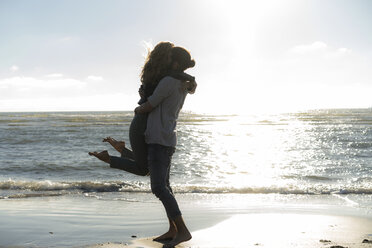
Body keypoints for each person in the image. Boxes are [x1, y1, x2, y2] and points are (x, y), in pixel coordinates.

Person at [89, 42, 195, 177]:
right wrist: (191, 80)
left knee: (147, 165)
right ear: (165, 57)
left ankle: (122, 150)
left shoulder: (155, 71)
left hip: (146, 120)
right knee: (145, 169)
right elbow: (157, 96)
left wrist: (190, 82)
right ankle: (109, 158)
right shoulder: (166, 75)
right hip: (144, 119)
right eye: (170, 55)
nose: (171, 59)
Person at [134, 46, 195, 247]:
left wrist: (138, 108)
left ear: (175, 64)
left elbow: (150, 105)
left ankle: (183, 230)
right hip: (167, 137)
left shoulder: (169, 81)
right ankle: (173, 230)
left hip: (158, 139)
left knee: (159, 187)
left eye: (170, 60)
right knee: (165, 186)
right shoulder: (182, 82)